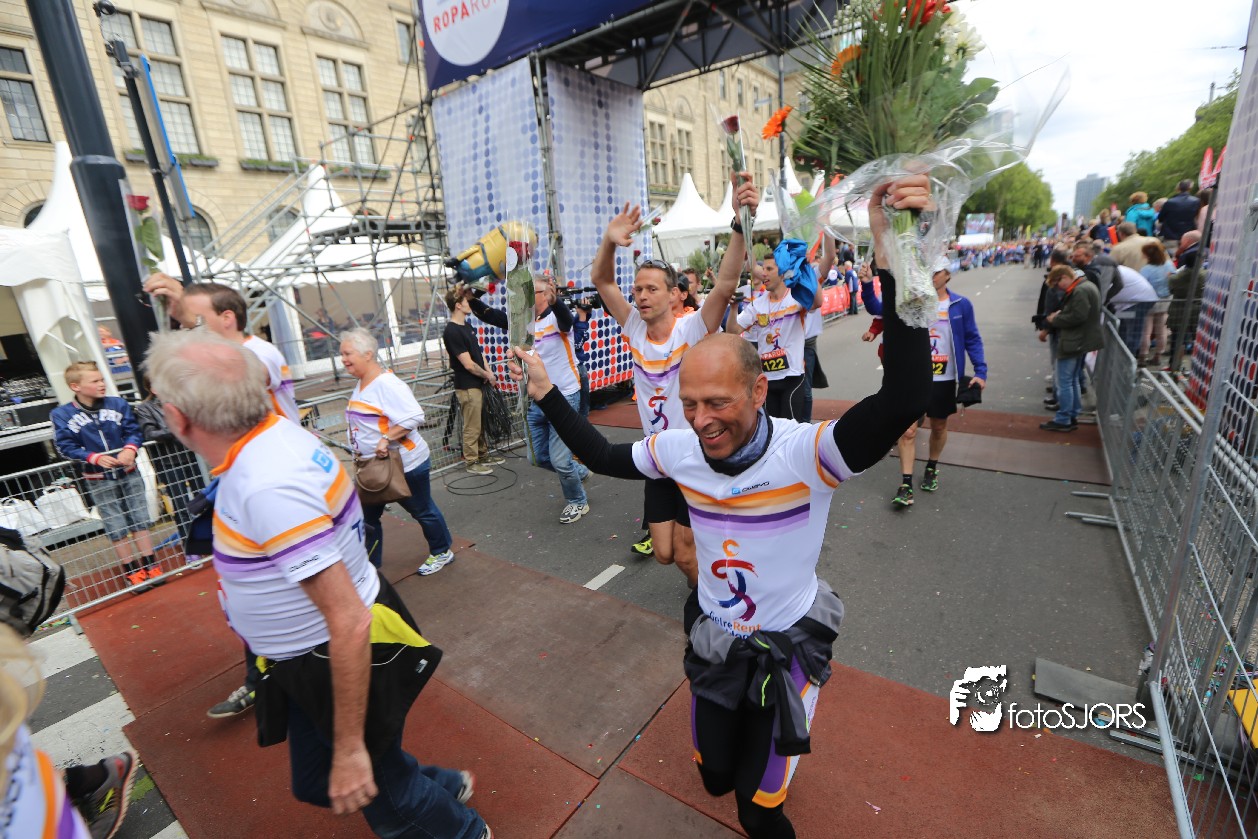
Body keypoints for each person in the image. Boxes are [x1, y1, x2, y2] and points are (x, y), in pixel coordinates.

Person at [508, 174, 932, 839]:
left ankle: (776, 772)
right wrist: (545, 393)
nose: (702, 420)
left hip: (784, 650)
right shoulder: (679, 449)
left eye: (718, 403)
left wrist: (894, 248)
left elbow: (906, 397)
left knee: (757, 810)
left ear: (759, 392)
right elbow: (600, 455)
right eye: (690, 404)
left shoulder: (806, 454)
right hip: (713, 636)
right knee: (712, 777)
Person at [145, 330, 490, 839]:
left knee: (383, 795)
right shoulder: (271, 439)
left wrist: (350, 748)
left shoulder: (267, 483)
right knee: (318, 781)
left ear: (177, 417)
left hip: (329, 655)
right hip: (307, 656)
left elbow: (347, 620)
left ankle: (463, 831)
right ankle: (440, 785)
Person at [142, 274, 302, 720]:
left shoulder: (253, 356)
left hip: (269, 480)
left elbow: (216, 379)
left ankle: (281, 676)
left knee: (285, 581)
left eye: (196, 321)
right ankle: (266, 675)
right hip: (246, 475)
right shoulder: (237, 354)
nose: (188, 330)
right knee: (247, 582)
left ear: (227, 318)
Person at [588, 175, 757, 581]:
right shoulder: (633, 328)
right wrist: (609, 241)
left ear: (673, 294)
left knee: (685, 555)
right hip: (657, 456)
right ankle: (713, 563)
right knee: (664, 552)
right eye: (637, 290)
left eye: (651, 289)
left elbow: (726, 284)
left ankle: (710, 602)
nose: (641, 296)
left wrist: (738, 224)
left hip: (695, 454)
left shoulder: (692, 329)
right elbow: (602, 281)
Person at [340, 328, 455, 574]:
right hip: (373, 468)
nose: (343, 360)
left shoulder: (387, 384)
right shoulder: (362, 383)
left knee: (422, 510)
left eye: (348, 354)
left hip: (404, 464)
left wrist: (386, 439)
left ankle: (442, 551)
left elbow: (414, 416)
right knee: (367, 518)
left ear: (367, 354)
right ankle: (369, 566)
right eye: (342, 354)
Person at [51, 362, 160, 589]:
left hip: (129, 471)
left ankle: (151, 563)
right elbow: (64, 446)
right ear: (76, 386)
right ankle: (131, 569)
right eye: (95, 381)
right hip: (97, 478)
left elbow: (134, 431)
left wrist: (130, 448)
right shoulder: (61, 414)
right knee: (115, 523)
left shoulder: (118, 404)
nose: (102, 384)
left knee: (140, 517)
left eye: (102, 379)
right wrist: (93, 457)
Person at [890, 260, 986, 508]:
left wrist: (980, 371)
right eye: (928, 272)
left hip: (945, 377)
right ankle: (906, 484)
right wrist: (869, 284)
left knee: (939, 426)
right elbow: (878, 309)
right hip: (915, 376)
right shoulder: (913, 302)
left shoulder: (960, 305)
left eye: (936, 272)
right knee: (908, 430)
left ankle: (932, 466)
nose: (932, 276)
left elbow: (972, 338)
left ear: (947, 275)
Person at [143, 275, 301, 424]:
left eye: (196, 316)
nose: (184, 323)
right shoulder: (207, 356)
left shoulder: (262, 350)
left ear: (227, 318)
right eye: (181, 318)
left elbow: (243, 377)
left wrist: (194, 325)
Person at [524, 273, 593, 525]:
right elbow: (497, 318)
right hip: (538, 399)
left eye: (533, 292)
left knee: (561, 460)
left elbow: (566, 320)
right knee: (537, 458)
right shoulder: (527, 323)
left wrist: (556, 302)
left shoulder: (557, 317)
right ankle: (580, 472)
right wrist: (473, 301)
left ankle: (578, 501)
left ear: (546, 295)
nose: (527, 297)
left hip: (565, 395)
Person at [726, 256, 809, 421]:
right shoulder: (758, 304)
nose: (764, 273)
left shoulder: (796, 298)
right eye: (763, 269)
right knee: (771, 429)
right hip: (767, 380)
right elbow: (733, 331)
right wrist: (734, 308)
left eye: (769, 269)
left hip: (792, 377)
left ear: (783, 273)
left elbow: (817, 302)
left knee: (791, 429)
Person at [441, 284, 505, 476]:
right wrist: (487, 375)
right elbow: (468, 364)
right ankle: (471, 461)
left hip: (478, 383)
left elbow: (479, 354)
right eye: (466, 301)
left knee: (480, 422)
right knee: (472, 425)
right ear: (458, 305)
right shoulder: (452, 331)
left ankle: (482, 455)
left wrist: (488, 372)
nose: (470, 303)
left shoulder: (466, 326)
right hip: (467, 386)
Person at [135, 380, 204, 548]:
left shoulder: (183, 400)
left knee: (204, 499)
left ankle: (211, 538)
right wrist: (176, 430)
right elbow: (149, 433)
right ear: (153, 388)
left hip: (193, 456)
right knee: (181, 504)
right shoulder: (144, 408)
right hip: (168, 462)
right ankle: (190, 544)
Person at [1041, 265, 1103, 432]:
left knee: (1065, 381)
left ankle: (1064, 418)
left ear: (1064, 277)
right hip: (1081, 340)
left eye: (1057, 283)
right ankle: (1072, 413)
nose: (1058, 288)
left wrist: (1055, 319)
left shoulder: (1080, 290)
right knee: (1072, 379)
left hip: (1074, 340)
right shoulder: (1085, 286)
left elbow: (1077, 316)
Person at [1138, 240, 1174, 366]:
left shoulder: (1146, 269)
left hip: (1149, 300)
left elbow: (1141, 284)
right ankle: (1158, 355)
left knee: (1146, 330)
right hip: (1166, 299)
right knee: (1162, 329)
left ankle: (1142, 356)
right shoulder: (1169, 265)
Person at [1158, 179, 1201, 244]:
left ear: (1178, 188)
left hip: (1170, 236)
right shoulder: (1196, 201)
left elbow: (1160, 218)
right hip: (1189, 236)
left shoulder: (1169, 202)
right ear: (1190, 188)